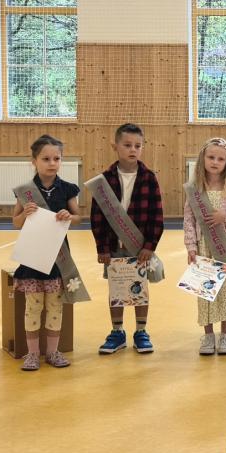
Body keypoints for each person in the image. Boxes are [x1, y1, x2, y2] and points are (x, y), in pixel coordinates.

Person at [89, 123, 164, 355]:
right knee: (117, 289)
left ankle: (141, 332)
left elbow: (156, 215)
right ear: (115, 146)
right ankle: (117, 332)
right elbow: (97, 217)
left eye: (138, 146)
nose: (133, 149)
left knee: (140, 289)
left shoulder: (149, 178)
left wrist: (149, 246)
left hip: (139, 247)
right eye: (127, 145)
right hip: (113, 247)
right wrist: (102, 248)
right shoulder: (103, 180)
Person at [10, 134, 80, 372]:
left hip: (58, 260)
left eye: (56, 159)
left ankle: (52, 352)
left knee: (55, 308)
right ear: (34, 161)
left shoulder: (68, 189)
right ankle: (32, 355)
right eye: (46, 159)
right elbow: (15, 223)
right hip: (32, 260)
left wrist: (69, 216)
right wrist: (24, 214)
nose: (52, 163)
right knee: (33, 308)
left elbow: (78, 218)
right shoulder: (25, 191)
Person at [183, 138, 226, 356]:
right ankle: (208, 336)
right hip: (202, 248)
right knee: (204, 292)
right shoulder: (195, 190)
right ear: (202, 159)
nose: (215, 162)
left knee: (225, 292)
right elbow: (188, 220)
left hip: (225, 247)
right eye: (211, 157)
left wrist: (225, 216)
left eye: (220, 159)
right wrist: (191, 246)